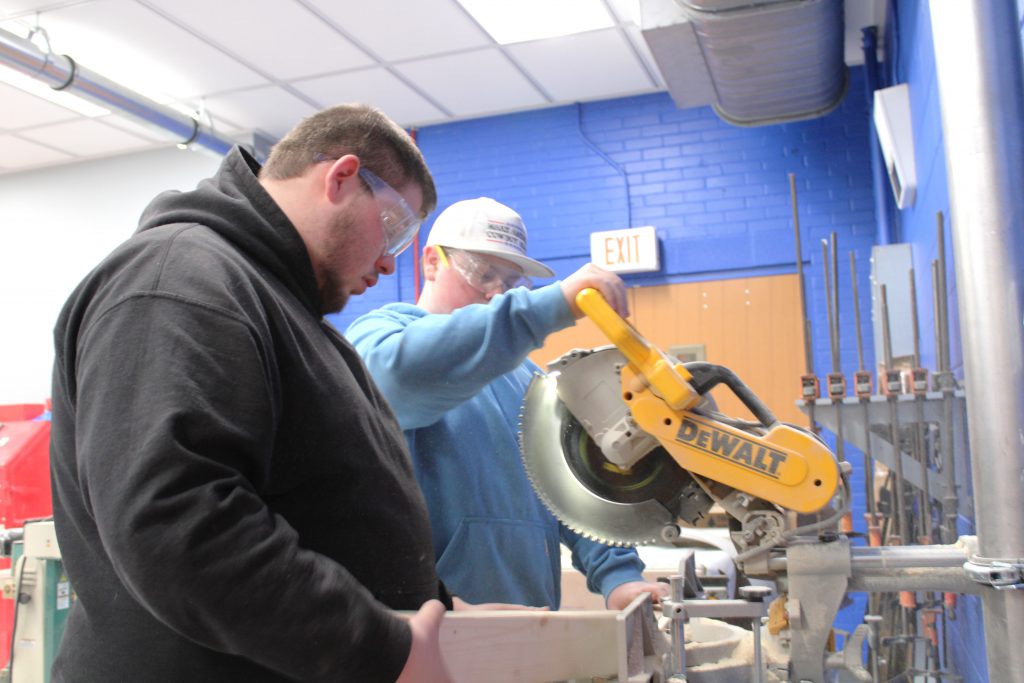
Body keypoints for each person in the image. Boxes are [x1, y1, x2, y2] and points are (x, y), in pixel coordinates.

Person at [49, 104, 455, 682]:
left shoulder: (286, 314)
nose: (391, 260)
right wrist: (380, 649)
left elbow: (334, 509)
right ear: (340, 178)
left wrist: (439, 615)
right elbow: (178, 527)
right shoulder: (178, 280)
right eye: (395, 228)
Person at [346, 197, 670, 611]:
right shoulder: (380, 337)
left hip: (531, 628)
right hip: (434, 628)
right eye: (483, 274)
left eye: (511, 282)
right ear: (431, 262)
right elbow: (401, 378)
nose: (497, 294)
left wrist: (619, 577)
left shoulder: (529, 382)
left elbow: (572, 488)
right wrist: (548, 307)